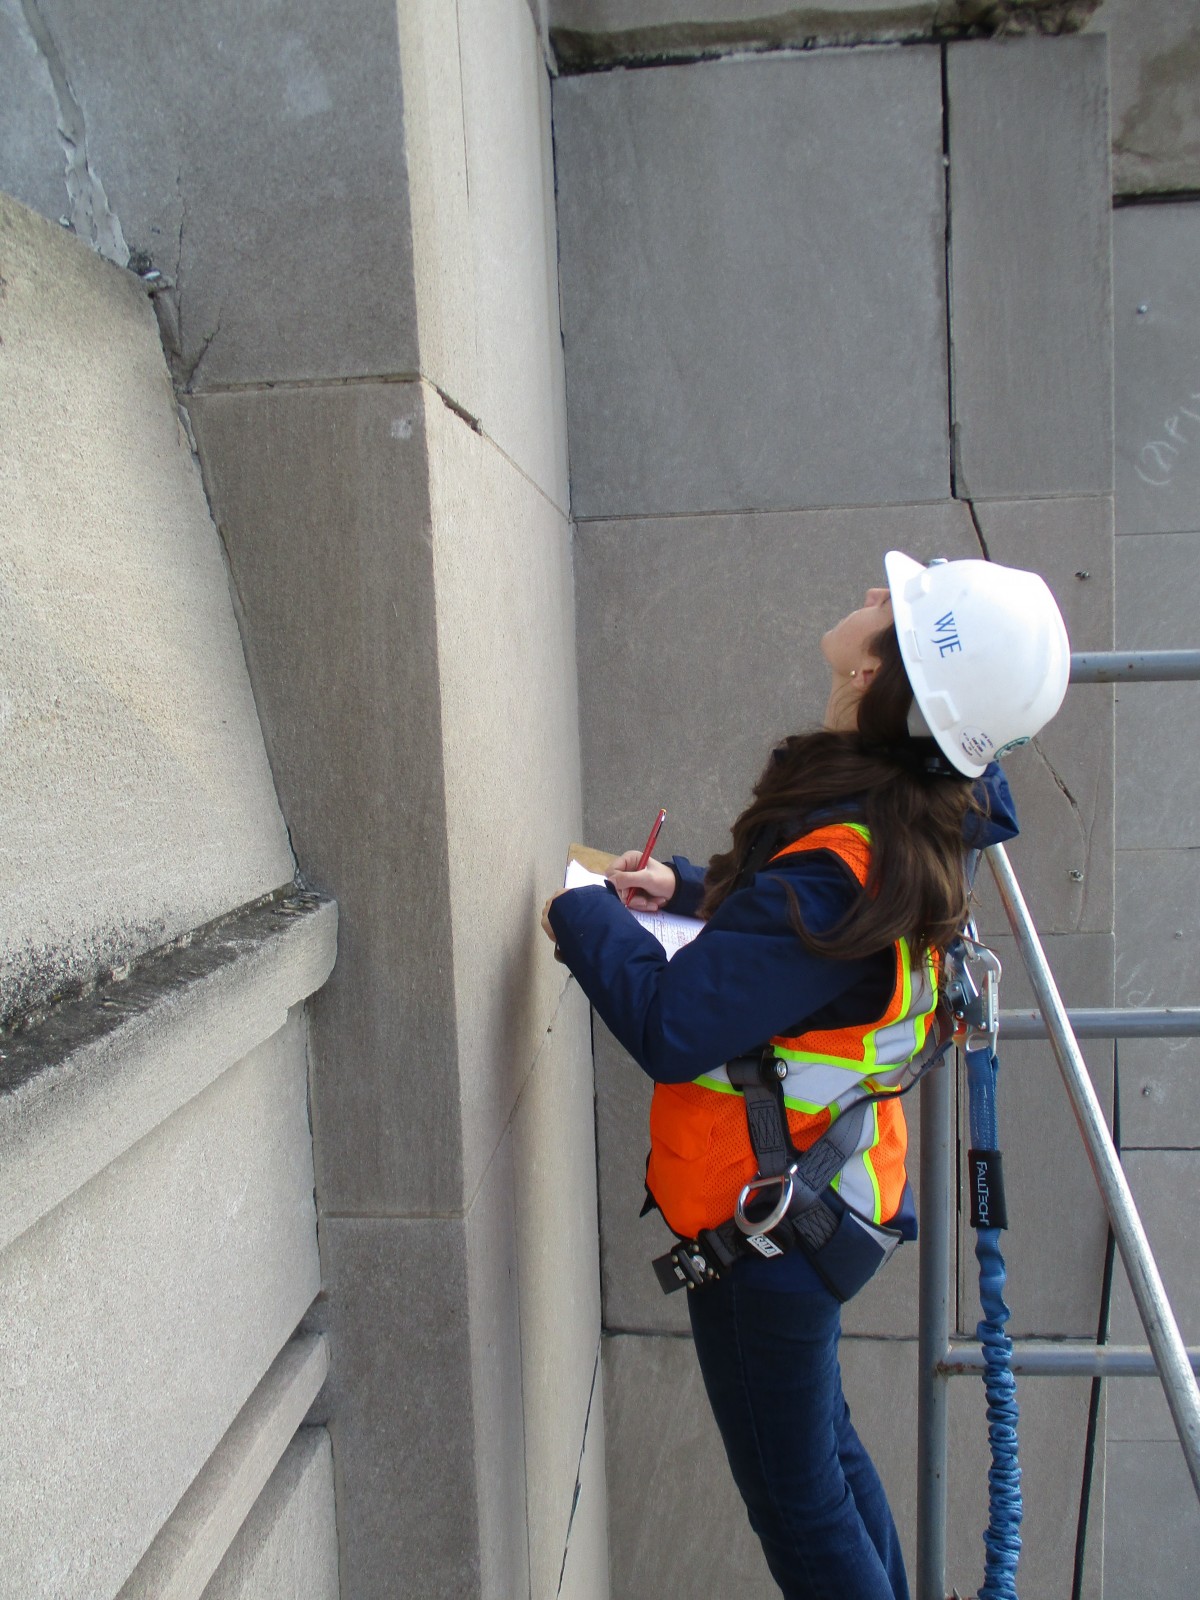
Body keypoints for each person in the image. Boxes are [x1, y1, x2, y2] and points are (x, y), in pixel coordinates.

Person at [542, 552, 1070, 1600]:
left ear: (882, 675)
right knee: (823, 1465)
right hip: (824, 1204)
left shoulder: (853, 858)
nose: (873, 594)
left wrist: (582, 914)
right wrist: (687, 885)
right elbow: (805, 937)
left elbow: (675, 1025)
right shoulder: (908, 814)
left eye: (895, 608)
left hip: (773, 1233)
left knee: (801, 1503)